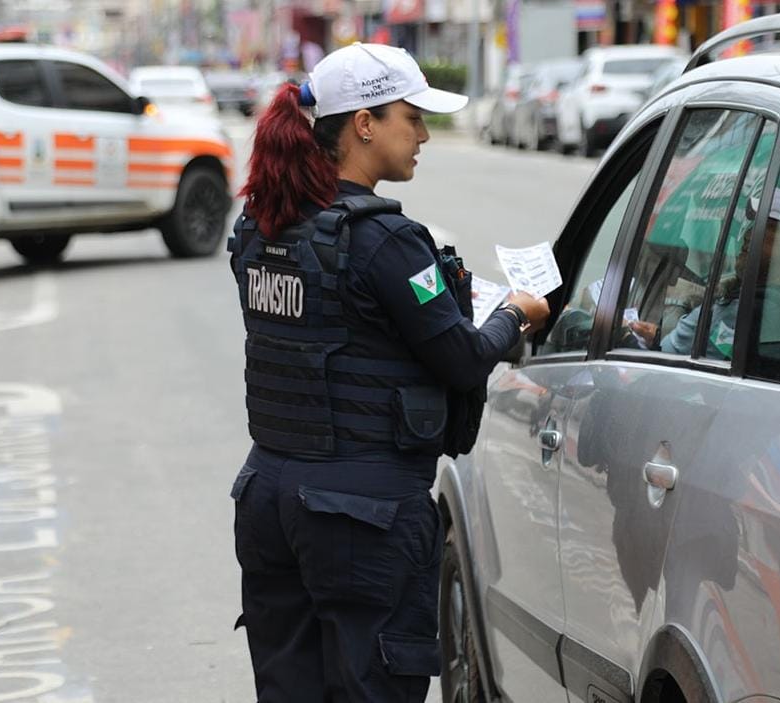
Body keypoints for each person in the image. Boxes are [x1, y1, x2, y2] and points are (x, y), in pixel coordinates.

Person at [227, 43, 550, 703]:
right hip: (363, 516)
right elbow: (460, 356)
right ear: (363, 123)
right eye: (412, 115)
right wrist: (515, 314)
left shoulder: (259, 226)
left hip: (269, 497)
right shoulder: (386, 240)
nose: (424, 134)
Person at [628, 188, 780, 360]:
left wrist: (625, 337)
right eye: (752, 224)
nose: (750, 234)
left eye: (766, 227)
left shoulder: (753, 313)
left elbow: (674, 368)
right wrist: (656, 337)